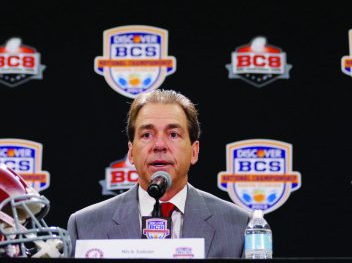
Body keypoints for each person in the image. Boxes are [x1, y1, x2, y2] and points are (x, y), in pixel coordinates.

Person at [68, 89, 250, 258]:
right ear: (131, 153)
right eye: (147, 135)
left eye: (173, 134)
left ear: (194, 152)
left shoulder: (239, 225)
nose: (160, 145)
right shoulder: (84, 226)